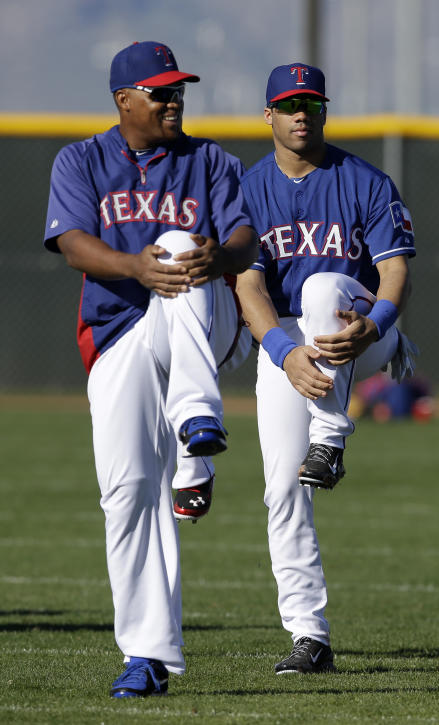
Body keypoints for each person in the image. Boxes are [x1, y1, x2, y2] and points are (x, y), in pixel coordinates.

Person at [43, 41, 257, 697]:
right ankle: (147, 655)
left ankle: (197, 415)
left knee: (177, 244)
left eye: (177, 89)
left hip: (203, 317)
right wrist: (134, 266)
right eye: (160, 91)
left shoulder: (210, 159)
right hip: (116, 331)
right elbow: (72, 242)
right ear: (124, 100)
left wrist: (215, 255)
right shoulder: (81, 159)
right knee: (128, 489)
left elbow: (246, 238)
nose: (173, 100)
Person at [235, 63, 416, 674]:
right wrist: (284, 355)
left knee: (318, 287)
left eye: (311, 103)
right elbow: (249, 287)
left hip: (362, 327)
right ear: (269, 115)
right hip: (290, 342)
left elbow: (394, 272)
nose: (301, 113)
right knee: (282, 489)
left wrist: (380, 323)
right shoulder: (247, 189)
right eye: (289, 104)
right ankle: (309, 636)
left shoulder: (363, 180)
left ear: (324, 111)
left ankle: (332, 437)